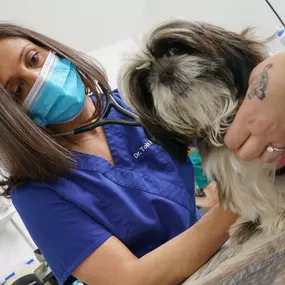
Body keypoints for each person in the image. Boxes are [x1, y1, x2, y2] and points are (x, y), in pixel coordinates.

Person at [0, 23, 237, 285]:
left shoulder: (137, 100)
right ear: (13, 119)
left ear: (52, 50)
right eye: (19, 90)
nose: (39, 78)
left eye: (34, 59)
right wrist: (238, 201)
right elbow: (129, 279)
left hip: (221, 257)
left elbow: (228, 130)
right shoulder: (36, 193)